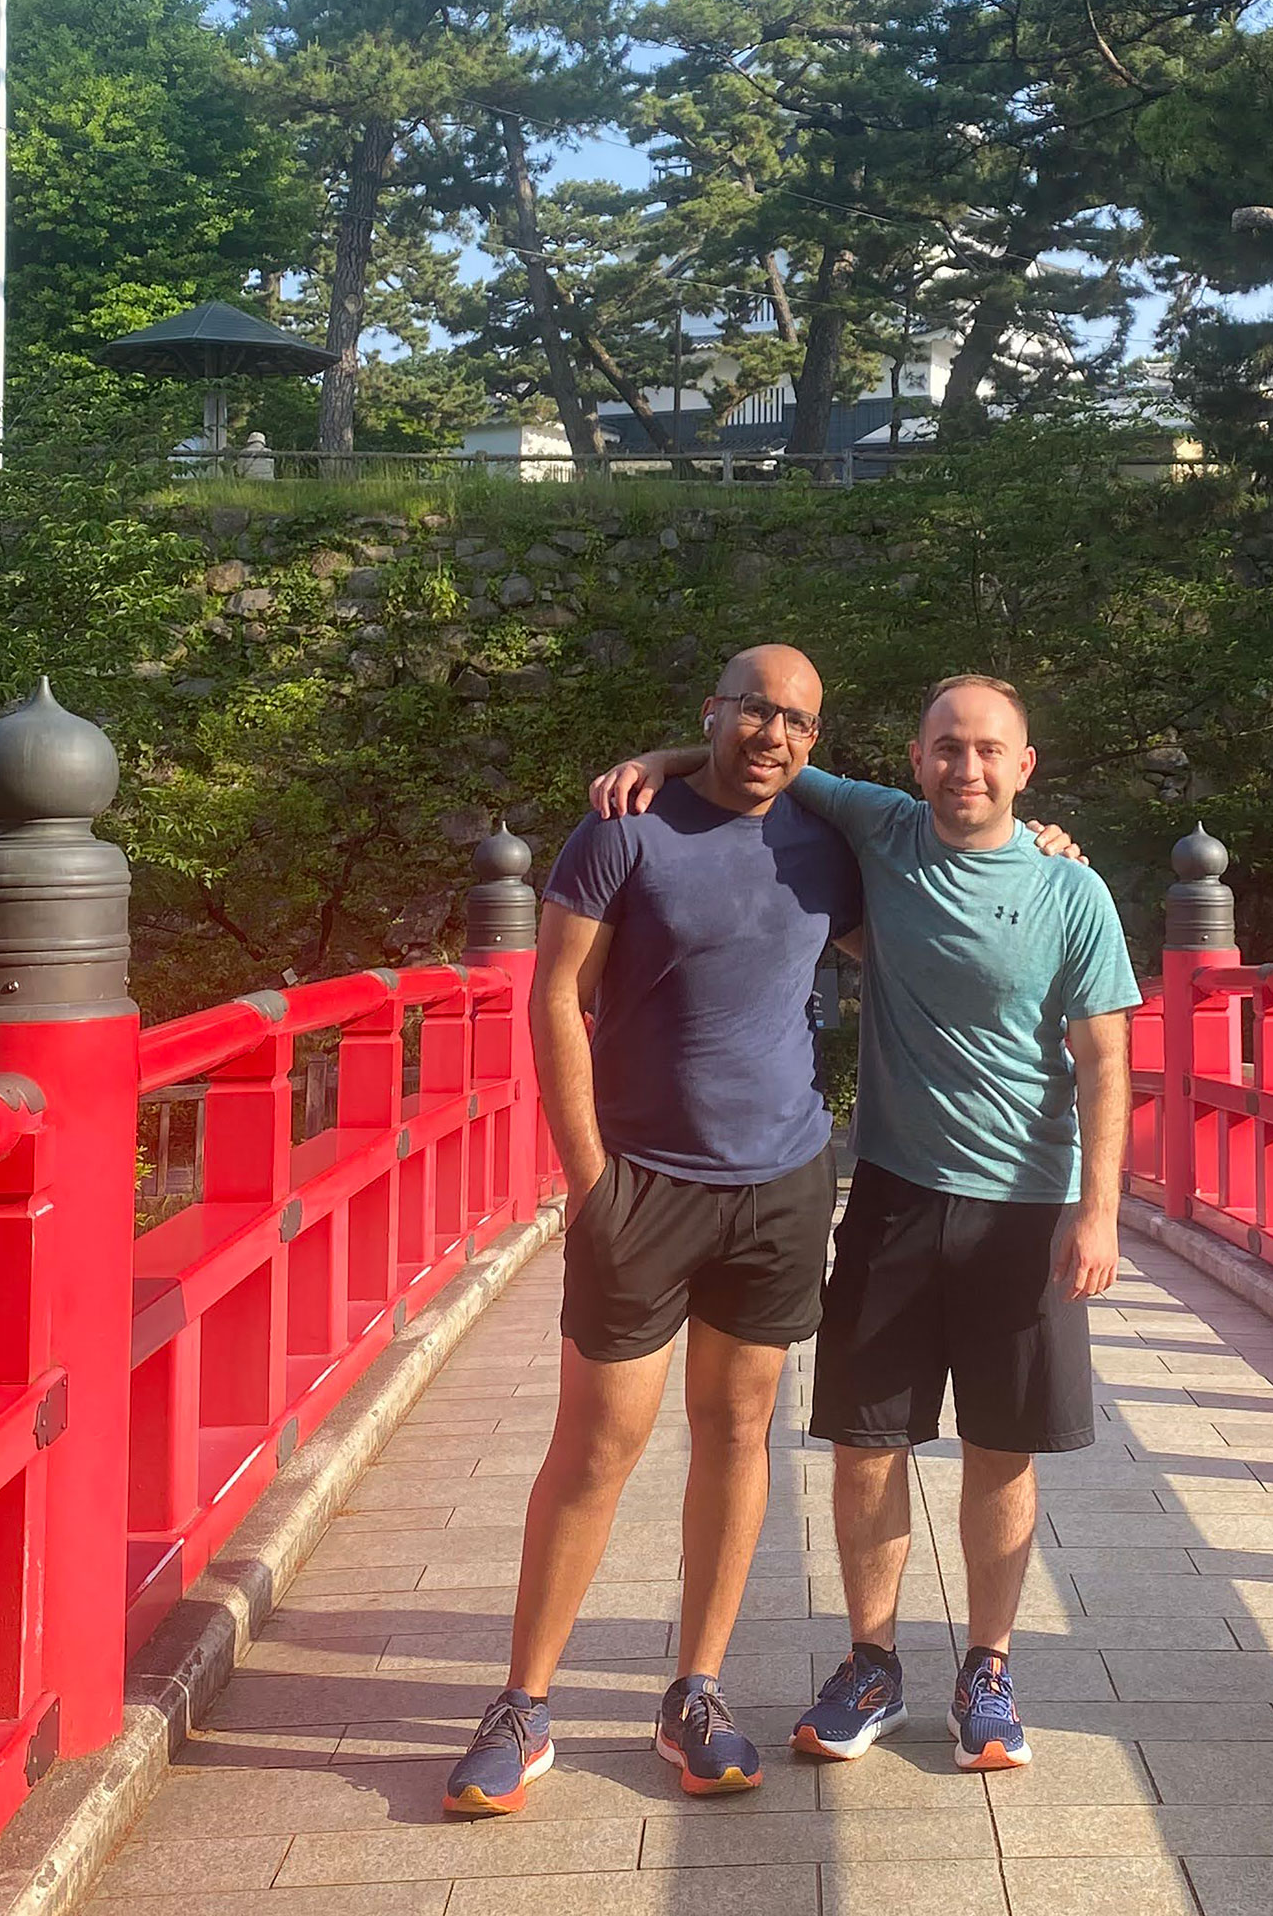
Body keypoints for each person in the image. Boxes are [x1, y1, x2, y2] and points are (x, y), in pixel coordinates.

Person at [592, 672, 1138, 1773]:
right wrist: (659, 760)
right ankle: (872, 1661)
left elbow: (1104, 1059)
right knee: (866, 1441)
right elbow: (763, 753)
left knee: (1001, 1447)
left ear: (1025, 766)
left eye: (989, 749)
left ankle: (988, 1669)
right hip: (893, 1190)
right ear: (914, 756)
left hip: (1026, 1203)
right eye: (948, 746)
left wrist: (1099, 1214)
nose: (967, 767)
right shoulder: (883, 828)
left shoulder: (1072, 891)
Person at [441, 644, 859, 1814]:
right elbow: (554, 992)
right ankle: (522, 1702)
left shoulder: (829, 840)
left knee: (736, 1428)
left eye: (798, 721)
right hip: (642, 1182)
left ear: (816, 739)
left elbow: (945, 864)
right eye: (753, 711)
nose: (773, 734)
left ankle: (697, 1688)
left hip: (780, 1181)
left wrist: (1043, 847)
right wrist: (588, 1181)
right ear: (712, 708)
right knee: (598, 1441)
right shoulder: (625, 827)